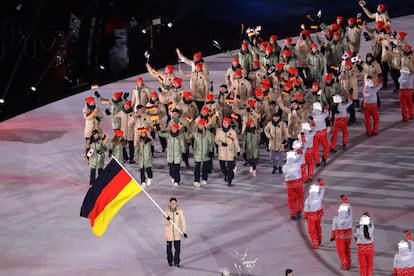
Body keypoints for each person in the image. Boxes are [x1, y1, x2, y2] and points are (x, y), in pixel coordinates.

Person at [186, 118, 214, 187]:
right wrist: (187, 130)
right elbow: (188, 137)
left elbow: (211, 143)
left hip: (205, 152)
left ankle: (204, 179)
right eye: (199, 125)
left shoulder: (208, 133)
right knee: (197, 168)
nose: (200, 126)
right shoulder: (195, 133)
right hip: (197, 153)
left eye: (202, 125)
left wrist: (210, 151)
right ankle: (196, 180)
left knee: (205, 167)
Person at [215, 117, 241, 187]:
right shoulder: (219, 131)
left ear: (229, 124)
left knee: (230, 167)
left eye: (226, 123)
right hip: (222, 151)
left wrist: (238, 150)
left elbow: (235, 141)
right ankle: (226, 174)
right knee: (222, 167)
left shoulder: (232, 132)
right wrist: (221, 143)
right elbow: (216, 140)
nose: (225, 124)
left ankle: (229, 180)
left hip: (230, 151)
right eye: (224, 123)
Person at [331, 194, 353, 270]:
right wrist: (345, 200)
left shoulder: (336, 218)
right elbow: (349, 208)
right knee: (347, 249)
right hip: (348, 235)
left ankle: (345, 264)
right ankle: (349, 262)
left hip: (340, 236)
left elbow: (334, 227)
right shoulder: (349, 217)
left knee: (341, 251)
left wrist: (332, 236)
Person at [163, 197, 187, 267]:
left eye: (174, 203)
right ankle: (170, 261)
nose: (173, 204)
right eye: (172, 203)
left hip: (177, 233)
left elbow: (183, 222)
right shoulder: (166, 212)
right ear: (170, 203)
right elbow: (165, 222)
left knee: (178, 249)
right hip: (169, 234)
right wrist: (167, 219)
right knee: (169, 250)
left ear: (176, 203)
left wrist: (184, 232)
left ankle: (177, 261)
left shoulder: (180, 211)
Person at [282, 149, 305, 220]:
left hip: (289, 185)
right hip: (298, 183)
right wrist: (300, 153)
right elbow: (301, 159)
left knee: (291, 200)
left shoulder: (284, 167)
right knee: (300, 197)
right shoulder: (297, 165)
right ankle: (299, 210)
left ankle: (292, 214)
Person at [303, 178, 325, 249]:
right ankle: (319, 239)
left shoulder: (308, 200)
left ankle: (315, 242)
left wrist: (305, 214)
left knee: (312, 230)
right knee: (318, 227)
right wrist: (321, 183)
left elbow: (306, 208)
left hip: (311, 217)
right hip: (318, 215)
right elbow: (322, 190)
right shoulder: (319, 198)